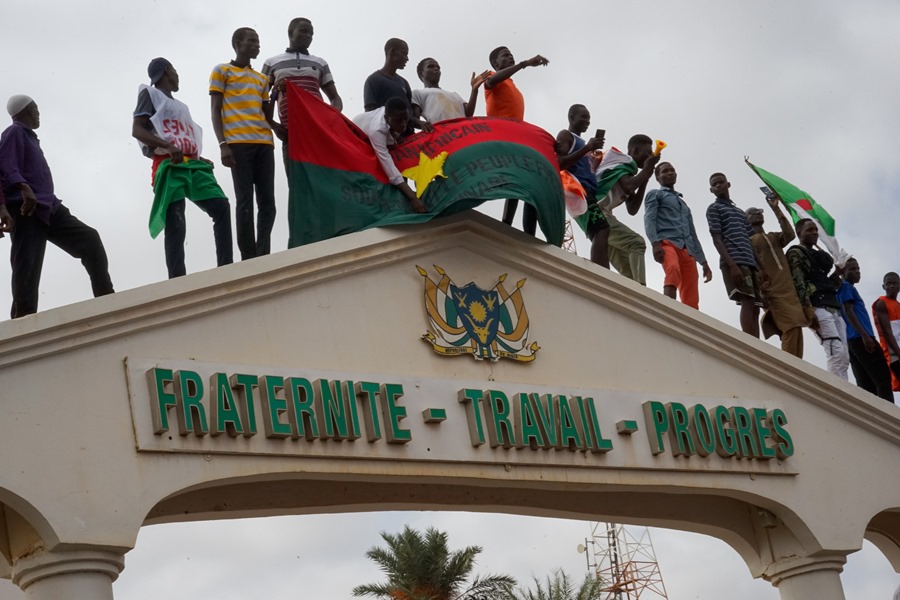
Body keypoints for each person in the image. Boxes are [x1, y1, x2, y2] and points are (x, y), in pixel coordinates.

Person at [0, 95, 114, 318]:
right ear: (28, 110)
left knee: (90, 240)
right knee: (27, 269)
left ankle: (107, 297)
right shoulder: (14, 132)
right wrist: (21, 187)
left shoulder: (30, 138)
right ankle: (22, 325)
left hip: (48, 206)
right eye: (36, 108)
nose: (39, 113)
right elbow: (4, 165)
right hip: (26, 209)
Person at [132, 58, 234, 279]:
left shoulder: (180, 106)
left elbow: (179, 138)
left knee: (221, 207)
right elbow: (137, 130)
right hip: (168, 163)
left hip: (190, 162)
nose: (178, 76)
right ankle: (177, 280)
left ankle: (227, 268)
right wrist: (167, 146)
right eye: (175, 71)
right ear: (167, 71)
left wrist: (200, 157)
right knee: (176, 220)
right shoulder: (150, 94)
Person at [210, 27, 276, 261]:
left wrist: (276, 92)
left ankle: (263, 252)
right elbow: (215, 110)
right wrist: (223, 144)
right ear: (237, 44)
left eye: (258, 41)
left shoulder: (262, 79)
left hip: (264, 143)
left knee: (268, 201)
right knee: (245, 200)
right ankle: (248, 256)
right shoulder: (222, 71)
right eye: (252, 41)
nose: (257, 45)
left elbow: (266, 113)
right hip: (237, 143)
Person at [261, 17, 343, 168]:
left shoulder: (320, 63)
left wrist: (330, 120)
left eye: (311, 33)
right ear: (291, 32)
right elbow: (261, 97)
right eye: (303, 31)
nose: (308, 36)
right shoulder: (271, 63)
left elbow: (335, 98)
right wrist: (273, 125)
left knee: (320, 179)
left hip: (317, 132)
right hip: (290, 134)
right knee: (296, 182)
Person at [484, 46, 548, 237]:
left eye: (512, 54)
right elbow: (491, 81)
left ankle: (526, 232)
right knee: (515, 180)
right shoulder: (492, 77)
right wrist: (524, 64)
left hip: (516, 141)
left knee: (524, 182)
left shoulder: (512, 85)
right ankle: (506, 224)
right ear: (495, 63)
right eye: (505, 56)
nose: (510, 57)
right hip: (503, 140)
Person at [746, 196, 812, 358]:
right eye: (752, 213)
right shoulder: (749, 242)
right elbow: (751, 269)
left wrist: (776, 209)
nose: (757, 214)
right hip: (771, 291)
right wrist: (761, 292)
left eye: (759, 212)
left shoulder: (773, 237)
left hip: (789, 290)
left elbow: (789, 235)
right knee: (789, 327)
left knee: (797, 327)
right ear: (746, 220)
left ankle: (797, 367)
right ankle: (788, 367)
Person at [643, 162, 711, 309]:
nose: (670, 173)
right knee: (672, 269)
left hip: (688, 250)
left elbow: (693, 234)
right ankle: (668, 310)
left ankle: (690, 326)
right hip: (667, 243)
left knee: (691, 291)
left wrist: (704, 262)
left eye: (672, 170)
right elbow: (649, 219)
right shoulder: (655, 194)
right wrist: (655, 244)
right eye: (665, 171)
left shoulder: (684, 206)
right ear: (657, 177)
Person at [786, 218, 848, 379]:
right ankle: (837, 393)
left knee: (844, 357)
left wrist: (838, 273)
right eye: (809, 230)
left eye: (815, 230)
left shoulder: (820, 257)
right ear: (799, 233)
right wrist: (807, 309)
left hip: (833, 306)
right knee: (835, 350)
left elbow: (827, 284)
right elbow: (797, 282)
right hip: (817, 307)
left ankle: (845, 391)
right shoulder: (795, 253)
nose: (814, 233)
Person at [707, 173, 762, 336]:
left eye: (721, 182)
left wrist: (761, 267)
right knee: (747, 300)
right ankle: (751, 344)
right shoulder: (714, 208)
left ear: (728, 184)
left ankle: (758, 345)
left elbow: (749, 240)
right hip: (734, 261)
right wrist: (732, 265)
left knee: (756, 306)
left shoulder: (739, 212)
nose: (718, 186)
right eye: (714, 184)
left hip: (750, 261)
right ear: (711, 190)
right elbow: (716, 239)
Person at [353, 97, 426, 215]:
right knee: (380, 169)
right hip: (355, 139)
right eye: (399, 120)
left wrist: (395, 136)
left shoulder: (391, 114)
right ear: (387, 118)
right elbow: (389, 167)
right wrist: (412, 197)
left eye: (405, 119)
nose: (403, 124)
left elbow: (395, 126)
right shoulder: (377, 131)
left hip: (376, 134)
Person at [837, 258, 894, 402]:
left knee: (866, 384)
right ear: (843, 272)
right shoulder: (846, 286)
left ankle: (872, 418)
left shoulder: (844, 287)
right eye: (852, 269)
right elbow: (848, 310)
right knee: (883, 377)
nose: (857, 272)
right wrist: (864, 335)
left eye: (858, 269)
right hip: (861, 338)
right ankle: (890, 418)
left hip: (852, 342)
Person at [363, 38, 418, 135]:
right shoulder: (374, 80)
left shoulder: (404, 83)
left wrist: (421, 124)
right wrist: (391, 134)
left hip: (409, 140)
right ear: (392, 52)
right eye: (404, 53)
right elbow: (370, 114)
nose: (407, 58)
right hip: (388, 141)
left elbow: (409, 116)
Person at [412, 58, 490, 123]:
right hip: (443, 136)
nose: (436, 69)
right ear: (421, 73)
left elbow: (468, 113)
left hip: (462, 132)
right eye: (430, 66)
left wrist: (474, 90)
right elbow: (414, 120)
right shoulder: (417, 93)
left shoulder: (454, 94)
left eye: (438, 67)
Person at [873, 271, 900, 388]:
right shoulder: (881, 303)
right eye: (888, 284)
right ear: (884, 286)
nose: (892, 286)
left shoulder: (898, 305)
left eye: (895, 283)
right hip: (893, 352)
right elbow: (887, 332)